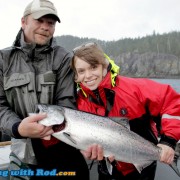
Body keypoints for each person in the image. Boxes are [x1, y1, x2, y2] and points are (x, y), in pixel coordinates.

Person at [0, 0, 89, 179]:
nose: (45, 27)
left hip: (60, 149)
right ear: (23, 21)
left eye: (50, 23)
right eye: (39, 21)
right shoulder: (3, 59)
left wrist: (46, 129)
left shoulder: (64, 58)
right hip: (22, 151)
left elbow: (66, 104)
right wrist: (18, 127)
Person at [70, 42, 180, 180]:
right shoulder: (78, 104)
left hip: (142, 170)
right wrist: (83, 150)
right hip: (106, 168)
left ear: (104, 66)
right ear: (76, 75)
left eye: (93, 67)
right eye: (81, 71)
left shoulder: (134, 88)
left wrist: (168, 141)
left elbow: (172, 101)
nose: (88, 75)